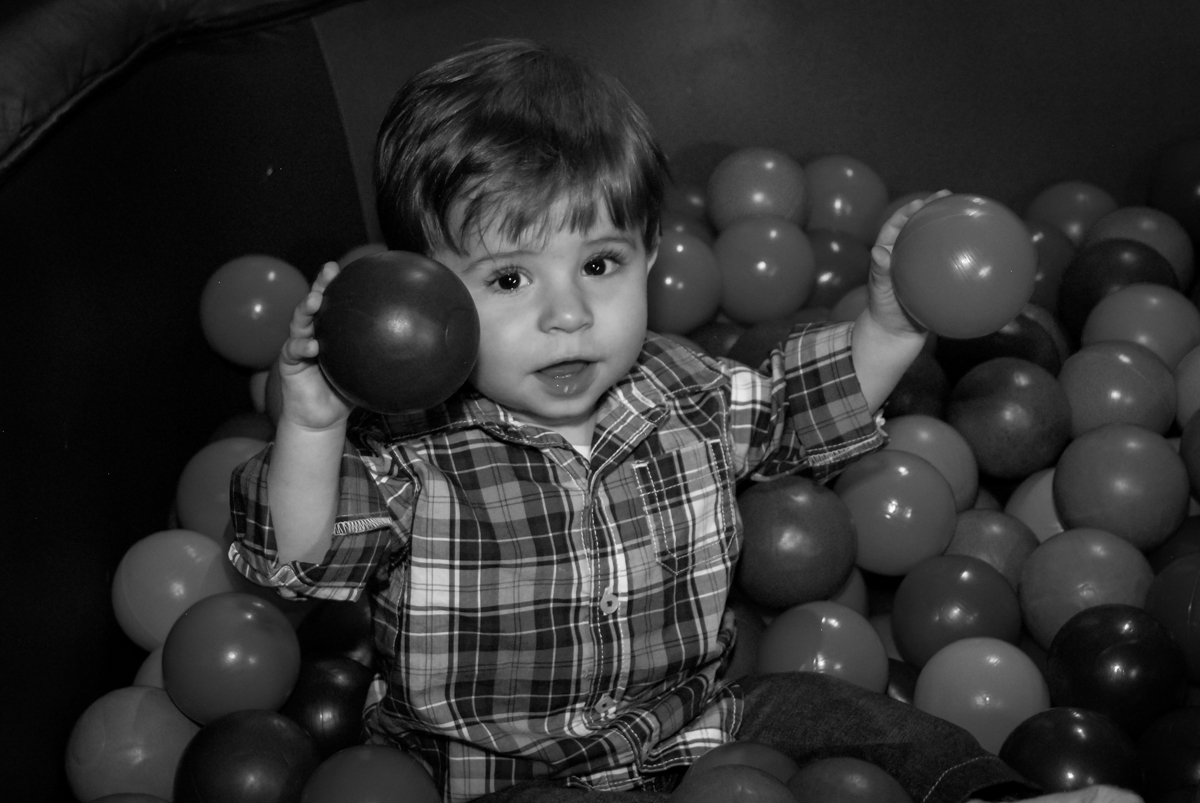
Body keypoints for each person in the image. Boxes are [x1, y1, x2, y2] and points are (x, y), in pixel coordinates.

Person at [229, 38, 1141, 803]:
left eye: (600, 263)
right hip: (500, 771)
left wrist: (892, 322)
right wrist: (314, 425)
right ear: (420, 294)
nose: (568, 315)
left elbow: (800, 407)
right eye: (509, 279)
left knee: (843, 712)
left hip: (694, 729)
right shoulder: (408, 446)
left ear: (654, 255)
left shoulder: (686, 392)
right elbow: (299, 560)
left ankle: (996, 795)